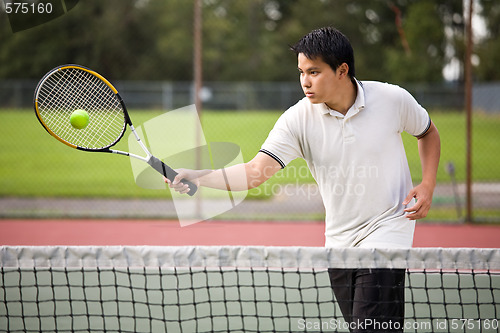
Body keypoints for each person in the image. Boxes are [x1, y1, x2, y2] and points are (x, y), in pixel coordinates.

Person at [166, 27, 441, 332]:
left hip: (389, 228)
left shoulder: (392, 99)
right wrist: (199, 177)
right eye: (301, 72)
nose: (305, 81)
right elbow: (255, 172)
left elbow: (427, 131)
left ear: (342, 70)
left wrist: (427, 184)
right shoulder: (296, 119)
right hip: (339, 241)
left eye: (314, 71)